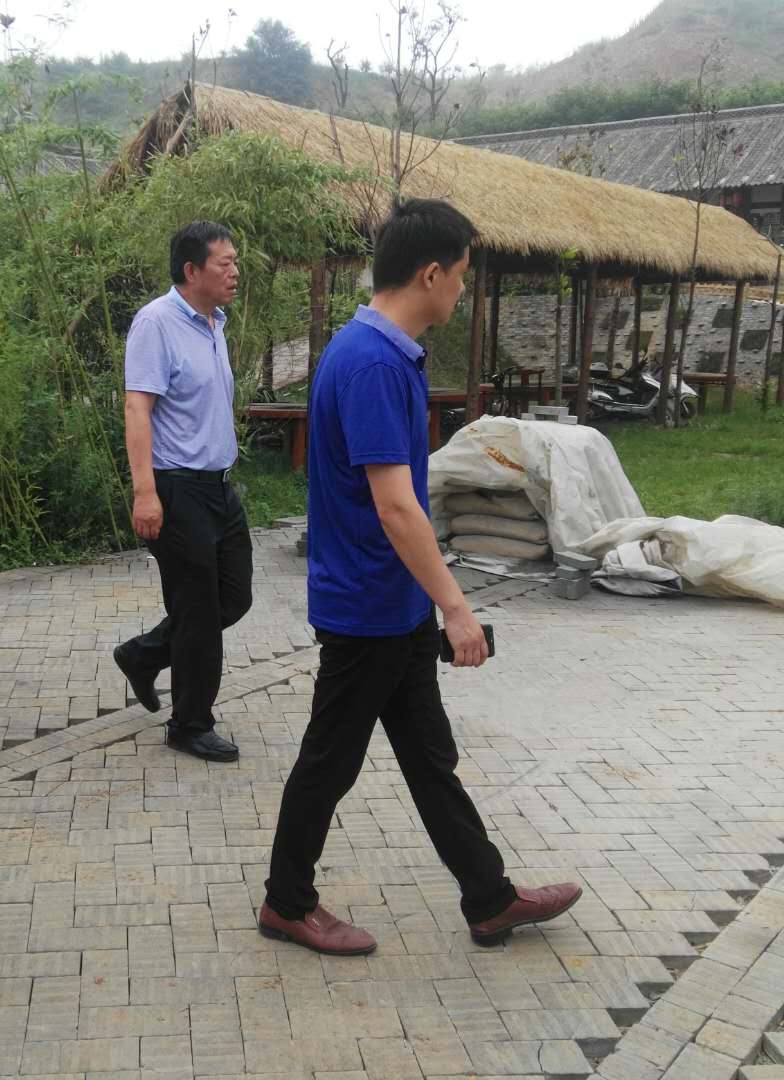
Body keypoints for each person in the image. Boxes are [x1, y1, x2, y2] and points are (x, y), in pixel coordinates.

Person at [259, 199, 582, 956]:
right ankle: (286, 903)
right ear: (431, 274)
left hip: (393, 604)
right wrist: (456, 607)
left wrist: (427, 604)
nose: (462, 291)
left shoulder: (382, 352)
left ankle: (490, 899)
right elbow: (397, 506)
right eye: (461, 276)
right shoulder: (372, 363)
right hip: (367, 605)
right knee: (330, 761)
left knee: (430, 758)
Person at [113, 221, 252, 764]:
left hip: (218, 487)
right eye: (225, 263)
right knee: (198, 615)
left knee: (233, 597)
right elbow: (137, 408)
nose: (235, 272)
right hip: (175, 487)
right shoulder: (157, 323)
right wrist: (144, 492)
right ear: (192, 270)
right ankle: (189, 724)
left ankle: (145, 654)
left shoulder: (215, 323)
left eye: (235, 262)